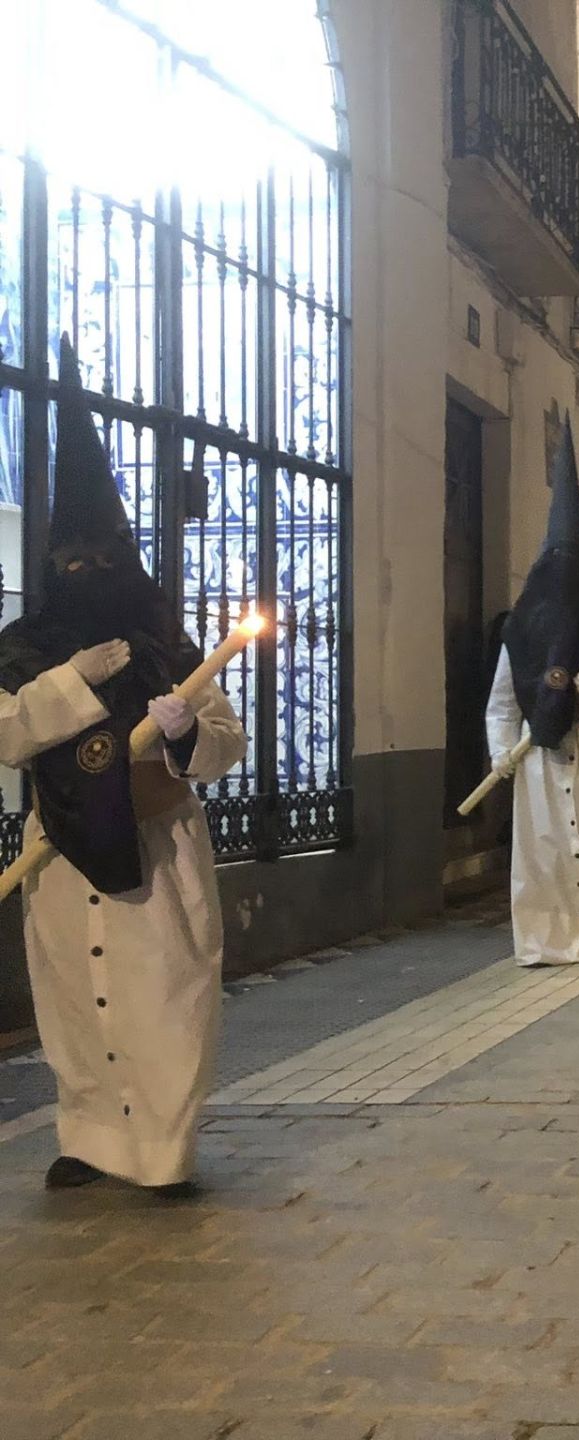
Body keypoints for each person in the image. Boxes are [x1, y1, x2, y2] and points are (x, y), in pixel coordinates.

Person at [0, 340, 248, 1194]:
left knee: (162, 994)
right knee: (73, 992)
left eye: (103, 561)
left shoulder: (165, 641)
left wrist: (185, 731)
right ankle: (91, 1137)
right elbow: (4, 733)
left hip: (158, 839)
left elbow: (225, 738)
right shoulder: (24, 648)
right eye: (72, 564)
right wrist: (72, 683)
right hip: (60, 843)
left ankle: (163, 1150)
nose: (87, 576)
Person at [486, 416, 579, 969]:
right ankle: (547, 939)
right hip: (538, 756)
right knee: (545, 847)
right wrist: (502, 751)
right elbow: (502, 702)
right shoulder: (521, 633)